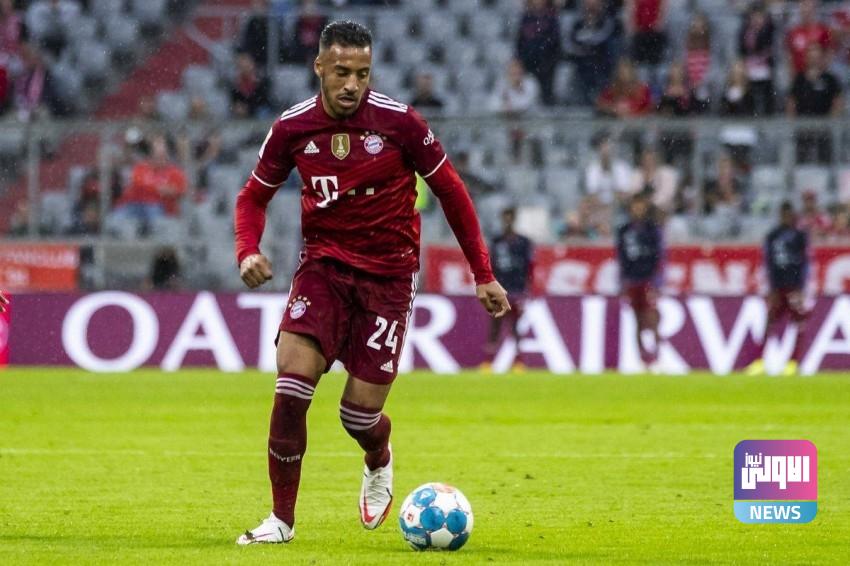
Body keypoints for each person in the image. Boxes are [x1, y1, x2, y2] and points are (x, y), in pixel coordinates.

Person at [233, 20, 509, 545]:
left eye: (362, 73)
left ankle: (378, 455)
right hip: (323, 270)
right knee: (291, 385)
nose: (352, 84)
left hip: (388, 279)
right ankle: (281, 521)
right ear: (319, 66)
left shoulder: (401, 123)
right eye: (341, 72)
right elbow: (252, 196)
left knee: (358, 417)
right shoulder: (292, 127)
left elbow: (452, 191)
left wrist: (483, 273)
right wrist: (247, 250)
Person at [745, 202, 810, 376]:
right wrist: (770, 286)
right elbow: (768, 263)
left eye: (788, 214)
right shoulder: (773, 235)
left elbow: (805, 263)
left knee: (798, 322)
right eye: (783, 214)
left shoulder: (800, 236)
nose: (786, 218)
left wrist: (801, 288)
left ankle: (793, 362)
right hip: (777, 286)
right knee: (770, 322)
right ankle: (759, 361)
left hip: (794, 286)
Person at [481, 207, 533, 372]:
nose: (508, 221)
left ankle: (518, 362)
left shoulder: (524, 242)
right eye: (505, 218)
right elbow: (491, 264)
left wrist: (527, 288)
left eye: (510, 218)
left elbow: (529, 267)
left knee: (515, 326)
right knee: (495, 325)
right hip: (499, 287)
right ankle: (488, 362)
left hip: (517, 288)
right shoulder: (496, 241)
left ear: (514, 219)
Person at [617, 193, 663, 372]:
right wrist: (622, 282)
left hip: (648, 279)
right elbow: (621, 258)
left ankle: (658, 357)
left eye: (641, 206)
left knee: (651, 318)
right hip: (632, 280)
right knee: (637, 321)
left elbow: (660, 255)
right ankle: (642, 359)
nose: (638, 209)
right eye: (635, 206)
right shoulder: (624, 231)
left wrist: (657, 281)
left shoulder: (652, 230)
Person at [787, 44, 843, 163]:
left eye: (817, 57)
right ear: (807, 58)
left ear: (821, 58)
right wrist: (793, 123)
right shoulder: (799, 79)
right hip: (803, 127)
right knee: (801, 161)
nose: (814, 60)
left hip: (824, 128)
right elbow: (791, 103)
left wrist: (831, 122)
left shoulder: (830, 79)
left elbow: (837, 102)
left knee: (825, 161)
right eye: (811, 56)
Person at [516, 0, 561, 105]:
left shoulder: (551, 17)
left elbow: (554, 41)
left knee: (547, 92)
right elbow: (520, 41)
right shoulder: (526, 18)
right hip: (528, 61)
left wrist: (542, 51)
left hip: (547, 62)